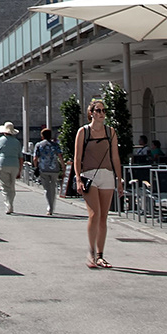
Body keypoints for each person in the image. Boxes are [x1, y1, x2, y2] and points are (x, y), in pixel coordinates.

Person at [73, 97, 123, 268]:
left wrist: (119, 179)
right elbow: (77, 157)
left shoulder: (111, 132)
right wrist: (78, 178)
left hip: (107, 175)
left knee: (103, 217)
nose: (102, 114)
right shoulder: (83, 132)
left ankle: (101, 255)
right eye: (98, 110)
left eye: (103, 111)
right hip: (89, 175)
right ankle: (91, 252)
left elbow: (115, 157)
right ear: (91, 113)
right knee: (94, 214)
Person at [32, 127, 63, 216]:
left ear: (42, 136)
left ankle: (49, 207)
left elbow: (35, 158)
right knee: (53, 187)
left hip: (43, 168)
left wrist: (36, 166)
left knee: (46, 188)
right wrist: (63, 166)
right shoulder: (55, 145)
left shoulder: (39, 145)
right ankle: (52, 206)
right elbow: (60, 156)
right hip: (54, 168)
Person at [0, 122, 22, 215]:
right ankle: (11, 202)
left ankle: (8, 205)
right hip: (15, 164)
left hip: (3, 163)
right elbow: (20, 157)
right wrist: (20, 170)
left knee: (5, 186)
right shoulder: (17, 142)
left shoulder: (1, 140)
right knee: (12, 185)